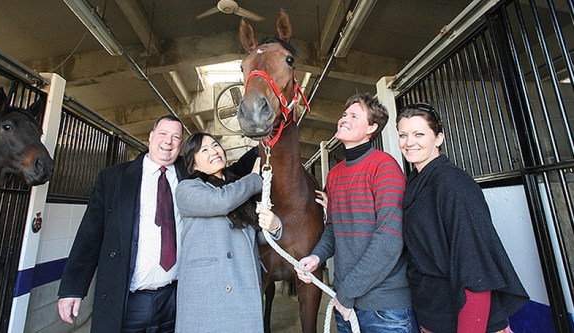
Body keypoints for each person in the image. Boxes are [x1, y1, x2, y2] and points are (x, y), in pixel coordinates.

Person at [57, 115, 257, 332]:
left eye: (175, 137)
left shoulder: (190, 175)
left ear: (181, 145)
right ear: (151, 136)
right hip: (129, 299)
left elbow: (229, 169)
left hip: (177, 297)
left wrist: (263, 146)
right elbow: (90, 233)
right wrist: (73, 288)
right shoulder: (114, 178)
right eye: (163, 134)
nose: (168, 141)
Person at [396, 103, 529, 333]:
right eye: (403, 135)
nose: (409, 142)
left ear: (439, 138)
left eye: (419, 134)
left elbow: (475, 271)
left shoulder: (452, 183)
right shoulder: (415, 182)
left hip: (468, 320)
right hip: (435, 315)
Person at [295, 93, 418, 333]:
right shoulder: (335, 174)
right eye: (343, 115)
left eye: (354, 116)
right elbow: (333, 229)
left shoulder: (384, 167)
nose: (343, 119)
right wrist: (316, 257)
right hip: (346, 303)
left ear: (371, 128)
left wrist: (346, 293)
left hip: (384, 310)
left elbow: (389, 239)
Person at [173, 132, 282, 333]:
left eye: (215, 145)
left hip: (243, 281)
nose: (214, 151)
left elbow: (252, 236)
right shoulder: (187, 189)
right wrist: (254, 179)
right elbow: (221, 201)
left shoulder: (238, 189)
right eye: (204, 150)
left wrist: (275, 227)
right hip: (207, 290)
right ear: (193, 164)